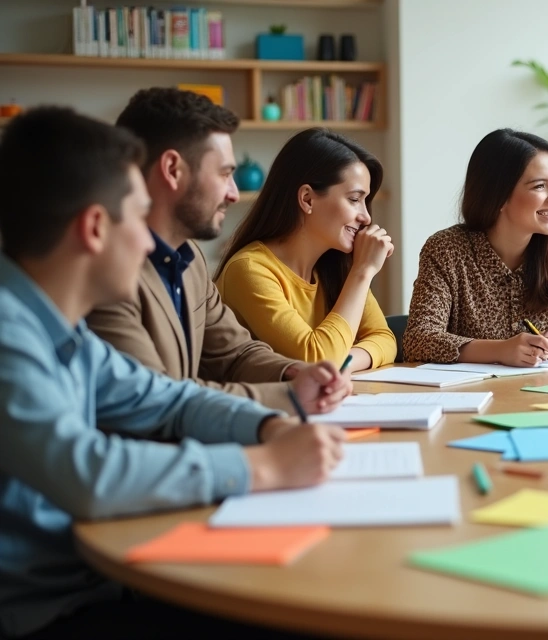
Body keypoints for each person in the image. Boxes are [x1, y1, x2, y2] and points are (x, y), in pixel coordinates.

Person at [0, 107, 345, 638]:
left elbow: (167, 398)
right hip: (44, 613)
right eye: (138, 220)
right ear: (94, 228)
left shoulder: (61, 331)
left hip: (98, 579)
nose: (149, 244)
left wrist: (266, 427)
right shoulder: (9, 334)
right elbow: (86, 473)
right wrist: (263, 466)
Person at [86, 88, 349, 415]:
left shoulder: (189, 258)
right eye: (225, 174)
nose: (234, 194)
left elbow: (236, 353)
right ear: (172, 169)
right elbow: (158, 399)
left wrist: (293, 372)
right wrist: (288, 397)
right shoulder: (106, 274)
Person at [402, 129, 548, 366]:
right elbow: (419, 339)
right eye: (540, 186)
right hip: (471, 397)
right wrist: (499, 350)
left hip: (546, 395)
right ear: (498, 195)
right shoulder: (445, 250)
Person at [214, 128, 397, 372]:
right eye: (354, 199)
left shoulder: (337, 264)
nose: (365, 216)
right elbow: (317, 359)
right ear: (308, 199)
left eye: (366, 201)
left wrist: (343, 363)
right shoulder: (249, 270)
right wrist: (363, 272)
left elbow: (385, 339)